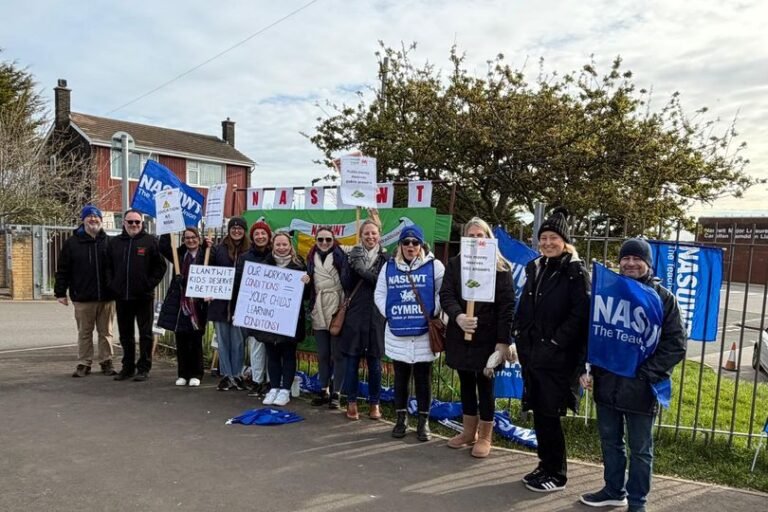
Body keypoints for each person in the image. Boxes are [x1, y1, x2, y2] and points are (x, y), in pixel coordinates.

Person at [579, 238, 686, 512]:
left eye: (637, 259)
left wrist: (644, 374)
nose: (630, 263)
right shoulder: (608, 293)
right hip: (607, 384)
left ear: (647, 263)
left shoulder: (663, 299)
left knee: (640, 450)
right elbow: (592, 334)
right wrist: (586, 368)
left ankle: (638, 501)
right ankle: (613, 490)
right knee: (610, 442)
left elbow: (675, 344)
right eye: (625, 258)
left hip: (641, 388)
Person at [514, 207, 590, 492]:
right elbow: (526, 307)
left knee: (550, 413)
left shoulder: (575, 272)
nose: (547, 242)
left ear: (564, 241)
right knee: (540, 412)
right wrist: (519, 335)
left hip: (557, 358)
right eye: (543, 237)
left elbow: (579, 315)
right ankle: (544, 464)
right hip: (533, 354)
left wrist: (555, 342)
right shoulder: (537, 267)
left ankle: (556, 474)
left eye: (553, 238)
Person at [439, 217, 516, 457]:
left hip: (488, 336)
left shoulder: (501, 268)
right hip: (461, 334)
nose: (475, 240)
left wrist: (503, 341)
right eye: (470, 236)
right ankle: (468, 431)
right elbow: (446, 294)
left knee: (485, 384)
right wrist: (459, 316)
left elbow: (507, 307)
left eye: (479, 236)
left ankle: (485, 436)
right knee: (465, 383)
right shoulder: (455, 264)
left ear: (488, 238)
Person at [374, 225, 445, 441]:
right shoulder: (389, 267)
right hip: (398, 331)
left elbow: (443, 292)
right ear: (400, 245)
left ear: (422, 245)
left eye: (415, 243)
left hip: (423, 332)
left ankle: (423, 422)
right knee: (400, 378)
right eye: (406, 242)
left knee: (424, 378)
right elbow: (380, 293)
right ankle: (401, 419)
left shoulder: (435, 266)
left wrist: (433, 311)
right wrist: (390, 312)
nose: (411, 246)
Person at [240, 231, 310, 407]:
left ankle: (285, 390)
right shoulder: (265, 265)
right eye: (278, 244)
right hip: (269, 320)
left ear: (290, 245)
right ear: (273, 245)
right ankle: (274, 387)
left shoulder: (299, 265)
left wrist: (307, 282)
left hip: (290, 320)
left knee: (288, 354)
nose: (281, 248)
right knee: (272, 354)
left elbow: (307, 296)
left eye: (284, 244)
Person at [54, 205, 117, 377]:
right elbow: (63, 269)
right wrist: (60, 292)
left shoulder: (109, 242)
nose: (93, 219)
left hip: (106, 297)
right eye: (89, 217)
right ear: (83, 220)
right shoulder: (72, 243)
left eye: (96, 217)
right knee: (84, 333)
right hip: (83, 297)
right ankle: (84, 363)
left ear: (101, 220)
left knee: (106, 333)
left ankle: (106, 361)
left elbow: (116, 269)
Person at [106, 209, 168, 382]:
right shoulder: (115, 243)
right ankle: (127, 367)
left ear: (142, 223)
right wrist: (113, 285)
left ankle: (144, 368)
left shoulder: (150, 242)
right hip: (122, 297)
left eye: (137, 222)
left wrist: (148, 284)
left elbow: (160, 267)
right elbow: (108, 267)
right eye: (130, 222)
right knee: (125, 335)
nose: (133, 225)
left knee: (145, 334)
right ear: (123, 223)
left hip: (143, 297)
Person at [340, 218, 389, 421]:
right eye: (366, 233)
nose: (370, 236)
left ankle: (374, 403)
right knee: (351, 361)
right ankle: (351, 402)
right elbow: (346, 283)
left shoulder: (387, 259)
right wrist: (353, 265)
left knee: (375, 364)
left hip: (376, 315)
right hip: (356, 314)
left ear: (379, 235)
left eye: (373, 233)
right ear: (361, 236)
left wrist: (363, 271)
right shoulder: (352, 255)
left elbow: (382, 283)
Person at [307, 226, 352, 410]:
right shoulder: (310, 259)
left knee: (338, 354)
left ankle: (337, 392)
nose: (324, 243)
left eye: (328, 239)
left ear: (333, 240)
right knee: (323, 353)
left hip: (337, 305)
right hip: (319, 306)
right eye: (320, 240)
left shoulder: (342, 255)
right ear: (316, 241)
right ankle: (324, 388)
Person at [157, 228, 209, 387]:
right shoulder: (179, 254)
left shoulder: (206, 254)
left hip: (197, 304)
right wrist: (168, 227)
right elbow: (163, 246)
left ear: (199, 239)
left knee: (195, 340)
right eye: (187, 238)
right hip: (181, 303)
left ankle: (196, 373)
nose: (190, 240)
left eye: (193, 237)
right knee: (181, 340)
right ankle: (183, 373)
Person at [208, 217, 251, 392]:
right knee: (223, 340)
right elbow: (207, 270)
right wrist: (207, 248)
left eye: (240, 228)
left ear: (244, 230)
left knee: (239, 341)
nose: (236, 231)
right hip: (220, 303)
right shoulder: (218, 249)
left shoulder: (250, 250)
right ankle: (226, 375)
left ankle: (237, 374)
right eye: (233, 228)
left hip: (241, 303)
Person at [240, 220, 272, 393]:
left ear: (268, 236)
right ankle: (257, 380)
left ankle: (270, 380)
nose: (260, 237)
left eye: (263, 233)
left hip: (272, 308)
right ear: (252, 237)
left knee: (272, 347)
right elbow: (239, 283)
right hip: (253, 307)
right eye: (257, 234)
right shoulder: (245, 257)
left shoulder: (274, 255)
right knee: (256, 345)